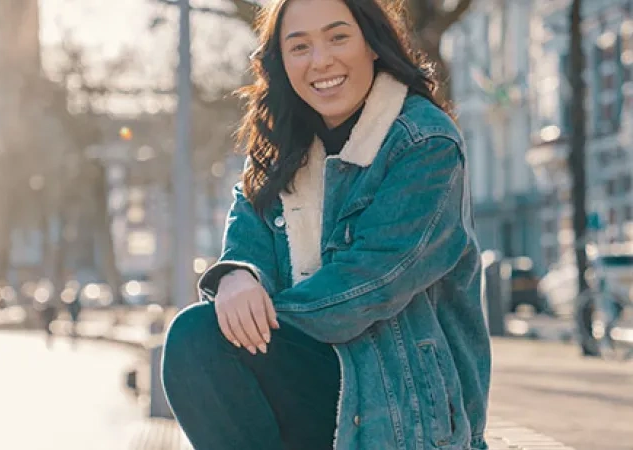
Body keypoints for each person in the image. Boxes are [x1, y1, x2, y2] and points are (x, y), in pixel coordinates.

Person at [160, 1, 491, 449]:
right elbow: (246, 242)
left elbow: (374, 282)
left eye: (338, 37)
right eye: (299, 46)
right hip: (313, 376)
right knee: (194, 340)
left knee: (210, 336)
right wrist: (237, 279)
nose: (320, 61)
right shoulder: (279, 149)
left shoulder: (424, 142)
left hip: (400, 405)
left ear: (372, 43)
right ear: (282, 61)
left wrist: (258, 319)